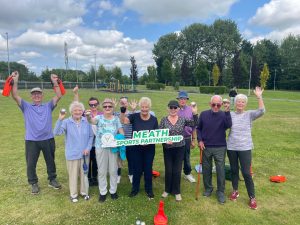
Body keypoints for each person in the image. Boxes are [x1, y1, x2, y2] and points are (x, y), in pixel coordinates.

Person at [10, 71, 62, 194]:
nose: (37, 95)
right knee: (31, 163)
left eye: (39, 93)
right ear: (31, 96)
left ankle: (52, 179)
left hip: (48, 139)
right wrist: (15, 81)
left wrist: (55, 82)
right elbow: (15, 95)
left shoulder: (48, 106)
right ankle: (33, 183)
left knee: (50, 161)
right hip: (32, 140)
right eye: (34, 94)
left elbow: (59, 95)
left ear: (42, 95)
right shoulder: (26, 106)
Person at [227, 87, 265, 210]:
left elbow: (262, 111)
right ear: (235, 103)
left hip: (245, 147)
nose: (240, 103)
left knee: (246, 173)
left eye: (243, 102)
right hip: (231, 147)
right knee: (233, 170)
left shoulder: (249, 115)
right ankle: (235, 190)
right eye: (238, 101)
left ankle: (252, 197)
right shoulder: (230, 115)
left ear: (245, 104)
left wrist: (259, 96)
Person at [53, 101, 94, 202]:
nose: (77, 112)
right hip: (72, 154)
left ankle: (84, 193)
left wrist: (88, 148)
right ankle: (73, 195)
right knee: (73, 175)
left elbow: (91, 136)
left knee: (84, 174)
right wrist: (60, 120)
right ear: (71, 111)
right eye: (75, 110)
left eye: (80, 110)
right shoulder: (66, 122)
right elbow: (56, 133)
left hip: (85, 154)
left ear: (82, 111)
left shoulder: (86, 121)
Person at [86, 98, 124, 203]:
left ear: (113, 108)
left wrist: (120, 139)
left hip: (113, 148)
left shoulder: (116, 119)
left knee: (113, 170)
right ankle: (103, 192)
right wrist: (88, 116)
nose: (107, 108)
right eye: (105, 106)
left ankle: (113, 191)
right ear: (102, 108)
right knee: (102, 171)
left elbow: (121, 132)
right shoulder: (99, 117)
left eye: (110, 106)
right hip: (100, 147)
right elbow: (91, 121)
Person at [159, 100, 198, 201]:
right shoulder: (163, 120)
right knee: (169, 170)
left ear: (178, 109)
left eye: (175, 107)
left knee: (177, 170)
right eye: (171, 107)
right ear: (168, 108)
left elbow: (195, 123)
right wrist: (164, 140)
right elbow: (159, 134)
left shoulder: (182, 119)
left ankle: (176, 191)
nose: (173, 109)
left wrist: (194, 113)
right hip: (167, 148)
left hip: (180, 148)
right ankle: (167, 190)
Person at [121, 97, 158, 199]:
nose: (144, 109)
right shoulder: (134, 116)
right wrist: (123, 110)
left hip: (149, 148)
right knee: (137, 169)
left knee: (148, 168)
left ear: (149, 107)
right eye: (142, 107)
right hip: (136, 148)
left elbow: (156, 135)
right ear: (140, 107)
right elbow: (123, 121)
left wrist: (149, 141)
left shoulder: (154, 119)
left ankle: (149, 190)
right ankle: (135, 189)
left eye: (146, 107)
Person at [196, 95, 232, 204]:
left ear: (221, 105)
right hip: (206, 146)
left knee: (220, 170)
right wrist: (200, 140)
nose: (216, 107)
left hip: (220, 146)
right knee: (206, 168)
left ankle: (220, 191)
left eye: (218, 105)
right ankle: (208, 188)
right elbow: (198, 128)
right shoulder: (203, 114)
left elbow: (229, 125)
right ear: (210, 104)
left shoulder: (224, 114)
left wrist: (227, 112)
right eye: (213, 104)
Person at [73, 85, 103, 186]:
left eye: (95, 105)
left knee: (96, 160)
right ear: (89, 105)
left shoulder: (102, 114)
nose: (93, 107)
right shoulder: (85, 113)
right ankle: (88, 177)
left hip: (98, 142)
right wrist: (76, 94)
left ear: (98, 104)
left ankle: (94, 177)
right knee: (87, 160)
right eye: (91, 105)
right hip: (87, 142)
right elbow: (76, 106)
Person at [114, 96, 138, 184]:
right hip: (120, 141)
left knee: (131, 159)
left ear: (128, 104)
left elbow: (136, 120)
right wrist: (113, 107)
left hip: (130, 140)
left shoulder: (132, 114)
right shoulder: (116, 114)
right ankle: (118, 175)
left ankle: (131, 174)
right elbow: (115, 120)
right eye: (121, 102)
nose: (123, 104)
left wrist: (134, 110)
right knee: (118, 160)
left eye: (125, 102)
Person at [177, 91, 197, 183]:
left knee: (186, 157)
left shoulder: (190, 110)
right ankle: (176, 173)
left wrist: (193, 139)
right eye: (181, 98)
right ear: (178, 99)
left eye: (184, 99)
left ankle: (187, 173)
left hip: (187, 137)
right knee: (177, 156)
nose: (183, 100)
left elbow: (194, 126)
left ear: (187, 100)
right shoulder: (174, 109)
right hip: (176, 137)